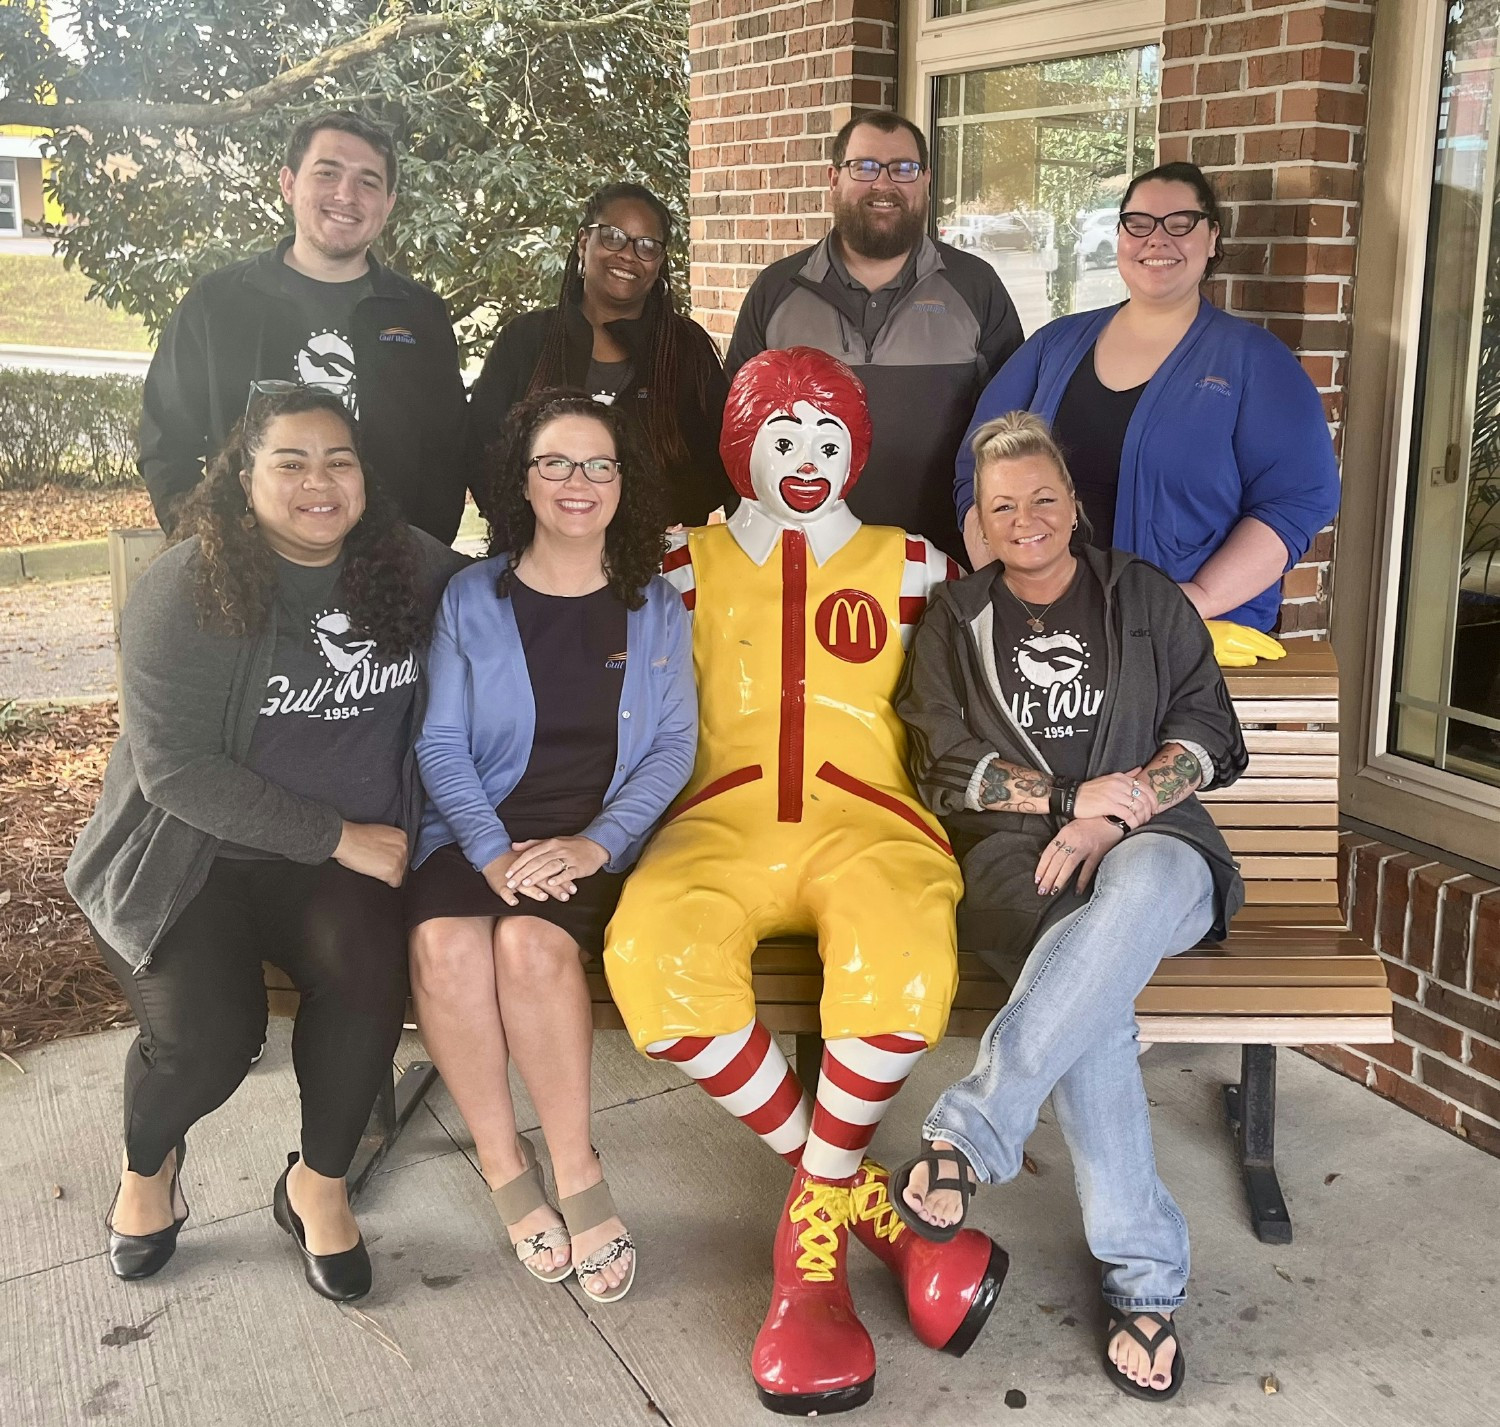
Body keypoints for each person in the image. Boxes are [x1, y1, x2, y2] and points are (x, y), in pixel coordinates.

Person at [605, 347, 1007, 1416]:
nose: (806, 457)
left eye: (830, 438)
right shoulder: (677, 563)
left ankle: (809, 1259)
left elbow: (1001, 675)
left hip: (869, 821)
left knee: (903, 942)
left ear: (857, 452)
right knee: (652, 950)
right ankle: (867, 1205)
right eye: (783, 435)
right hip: (717, 821)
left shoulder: (916, 564)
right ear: (743, 446)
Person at [66, 387, 466, 1301]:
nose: (317, 482)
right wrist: (335, 834)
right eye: (290, 461)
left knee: (368, 978)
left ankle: (316, 1186)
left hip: (338, 867)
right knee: (209, 1037)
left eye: (339, 461)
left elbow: (512, 604)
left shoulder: (411, 567)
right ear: (243, 477)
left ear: (366, 479)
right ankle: (149, 1166)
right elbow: (176, 774)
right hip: (187, 859)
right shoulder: (185, 586)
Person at [891, 412, 1248, 1401]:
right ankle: (1146, 1280)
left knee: (1128, 893)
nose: (1027, 518)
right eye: (1004, 505)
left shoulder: (1143, 597)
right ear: (980, 521)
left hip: (1160, 848)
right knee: (1090, 1007)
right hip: (1018, 865)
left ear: (1074, 503)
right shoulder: (958, 621)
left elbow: (1208, 729)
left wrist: (1117, 810)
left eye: (1044, 496)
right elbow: (945, 766)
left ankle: (969, 1131)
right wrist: (1062, 803)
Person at [407, 391, 696, 1305]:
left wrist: (595, 843)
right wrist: (492, 852)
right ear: (521, 481)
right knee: (446, 944)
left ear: (623, 483)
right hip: (475, 826)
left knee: (529, 946)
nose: (580, 483)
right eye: (557, 464)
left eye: (599, 465)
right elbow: (441, 745)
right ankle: (503, 1164)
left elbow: (670, 748)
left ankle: (576, 1170)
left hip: (591, 835)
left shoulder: (654, 603)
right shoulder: (471, 595)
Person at [954, 161, 1341, 666]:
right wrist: (1003, 583)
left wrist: (1194, 599)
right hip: (1049, 641)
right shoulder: (1056, 344)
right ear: (1119, 235)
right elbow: (976, 466)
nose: (1157, 240)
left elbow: (1297, 501)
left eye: (1180, 222)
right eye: (1139, 223)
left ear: (1212, 237)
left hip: (1185, 646)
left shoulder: (1253, 361)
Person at [139, 110, 472, 544]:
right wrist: (209, 545)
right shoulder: (217, 304)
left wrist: (420, 558)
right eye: (327, 173)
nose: (346, 195)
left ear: (388, 203)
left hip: (390, 583)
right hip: (250, 578)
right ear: (289, 184)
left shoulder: (418, 315)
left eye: (368, 182)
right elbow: (166, 442)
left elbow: (447, 454)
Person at [726, 110, 1023, 564]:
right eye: (864, 167)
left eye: (903, 168)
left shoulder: (975, 287)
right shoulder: (776, 292)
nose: (884, 185)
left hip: (945, 567)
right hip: (801, 566)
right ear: (833, 178)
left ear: (924, 180)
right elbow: (738, 435)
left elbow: (1012, 432)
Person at [468, 183, 734, 526]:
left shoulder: (686, 349)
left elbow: (721, 460)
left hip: (661, 567)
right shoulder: (526, 340)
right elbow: (482, 452)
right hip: (540, 561)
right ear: (583, 243)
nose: (628, 254)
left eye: (647, 245)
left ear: (660, 262)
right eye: (612, 236)